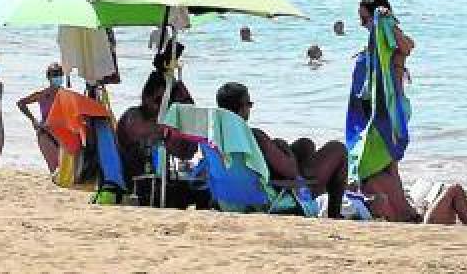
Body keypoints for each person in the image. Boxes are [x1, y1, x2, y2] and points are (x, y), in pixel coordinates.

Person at [215, 81, 348, 219]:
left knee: (305, 145)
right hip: (279, 198)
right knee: (338, 149)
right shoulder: (254, 136)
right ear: (242, 108)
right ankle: (334, 215)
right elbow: (291, 172)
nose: (250, 108)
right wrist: (284, 149)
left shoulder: (217, 138)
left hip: (235, 197)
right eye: (249, 104)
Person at [116, 70, 204, 207]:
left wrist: (187, 104)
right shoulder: (133, 118)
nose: (162, 107)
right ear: (146, 97)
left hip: (155, 183)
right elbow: (172, 143)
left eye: (168, 103)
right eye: (159, 101)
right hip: (137, 187)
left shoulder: (163, 125)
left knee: (202, 189)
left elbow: (188, 151)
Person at [16, 62, 65, 172]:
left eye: (60, 74)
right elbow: (21, 103)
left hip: (63, 135)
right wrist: (33, 120)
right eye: (55, 74)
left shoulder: (66, 95)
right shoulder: (42, 94)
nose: (58, 77)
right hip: (46, 133)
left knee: (64, 169)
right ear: (49, 77)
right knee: (54, 168)